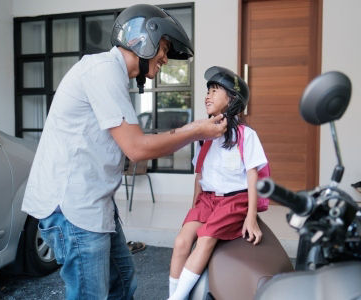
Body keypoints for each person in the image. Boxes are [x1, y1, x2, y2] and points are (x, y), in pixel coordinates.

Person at [21, 4, 227, 300]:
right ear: (143, 39)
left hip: (94, 203)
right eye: (165, 48)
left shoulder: (113, 74)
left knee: (122, 282)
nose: (165, 59)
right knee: (91, 295)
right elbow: (137, 148)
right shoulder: (103, 70)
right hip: (73, 207)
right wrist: (197, 130)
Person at [168, 66, 268, 300]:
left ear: (233, 99)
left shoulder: (246, 135)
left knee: (205, 238)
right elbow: (199, 173)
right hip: (207, 200)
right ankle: (172, 294)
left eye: (215, 90)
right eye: (208, 91)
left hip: (234, 201)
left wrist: (251, 217)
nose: (208, 95)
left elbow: (253, 176)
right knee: (181, 241)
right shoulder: (204, 135)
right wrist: (194, 208)